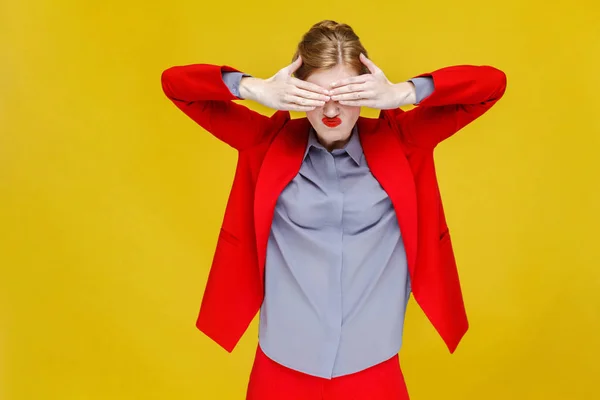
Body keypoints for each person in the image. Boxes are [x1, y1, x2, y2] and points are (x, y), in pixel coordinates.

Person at [161, 19, 506, 400]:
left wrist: (403, 92)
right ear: (296, 90)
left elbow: (491, 85)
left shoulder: (405, 141)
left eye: (346, 92)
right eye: (316, 93)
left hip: (374, 365)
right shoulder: (264, 142)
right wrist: (252, 87)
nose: (331, 108)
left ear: (367, 90)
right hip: (282, 366)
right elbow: (176, 85)